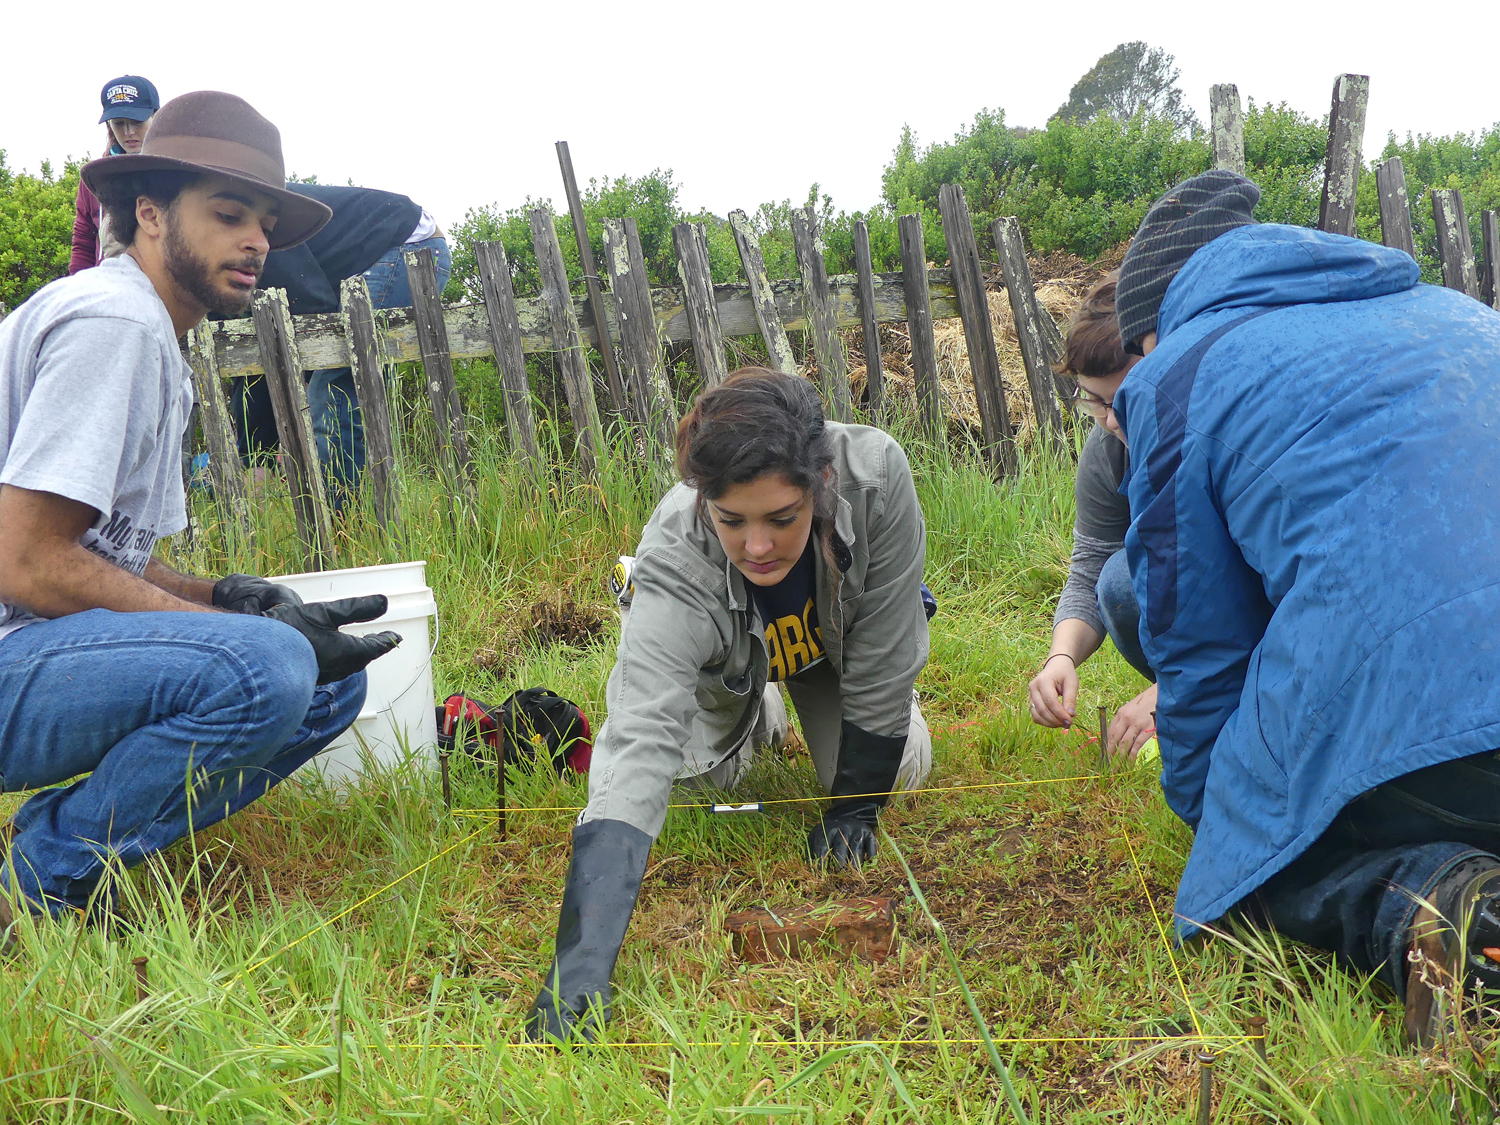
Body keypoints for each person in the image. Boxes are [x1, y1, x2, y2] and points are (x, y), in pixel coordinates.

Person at [0, 92, 402, 948]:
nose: (255, 240)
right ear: (148, 214)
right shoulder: (114, 325)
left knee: (327, 678)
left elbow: (105, 555)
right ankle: (34, 887)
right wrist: (245, 641)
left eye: (263, 220)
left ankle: (77, 853)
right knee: (267, 673)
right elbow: (29, 563)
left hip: (31, 650)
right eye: (227, 214)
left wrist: (230, 595)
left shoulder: (157, 338)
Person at [1110, 169, 1500, 1046]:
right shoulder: (1459, 313)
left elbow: (1196, 645)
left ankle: (1450, 908)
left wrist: (1224, 836)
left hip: (1448, 735)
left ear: (1150, 330)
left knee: (1262, 875)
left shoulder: (1176, 374)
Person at [527, 368, 934, 1042]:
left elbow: (888, 651)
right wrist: (582, 961)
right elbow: (638, 738)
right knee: (698, 778)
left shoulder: (879, 477)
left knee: (903, 766)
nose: (756, 546)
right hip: (725, 667)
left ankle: (798, 706)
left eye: (782, 518)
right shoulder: (675, 553)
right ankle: (761, 713)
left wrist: (855, 806)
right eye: (731, 521)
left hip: (834, 655)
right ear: (703, 500)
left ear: (820, 483)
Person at [232, 184, 450, 504]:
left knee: (333, 390)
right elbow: (254, 360)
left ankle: (344, 524)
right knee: (332, 387)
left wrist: (297, 395)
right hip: (387, 248)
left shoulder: (251, 233)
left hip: (406, 245)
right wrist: (255, 453)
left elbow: (312, 306)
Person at [1026, 274, 1156, 759]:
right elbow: (1090, 570)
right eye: (1094, 402)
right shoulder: (1108, 449)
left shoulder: (1223, 436)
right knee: (1119, 580)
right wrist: (1061, 657)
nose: (1112, 421)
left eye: (1125, 400)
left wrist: (1183, 688)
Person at [70, 75, 160, 274]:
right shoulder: (95, 177)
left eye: (137, 122)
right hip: (109, 287)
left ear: (156, 116)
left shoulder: (176, 171)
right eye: (119, 123)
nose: (128, 132)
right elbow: (83, 241)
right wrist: (79, 286)